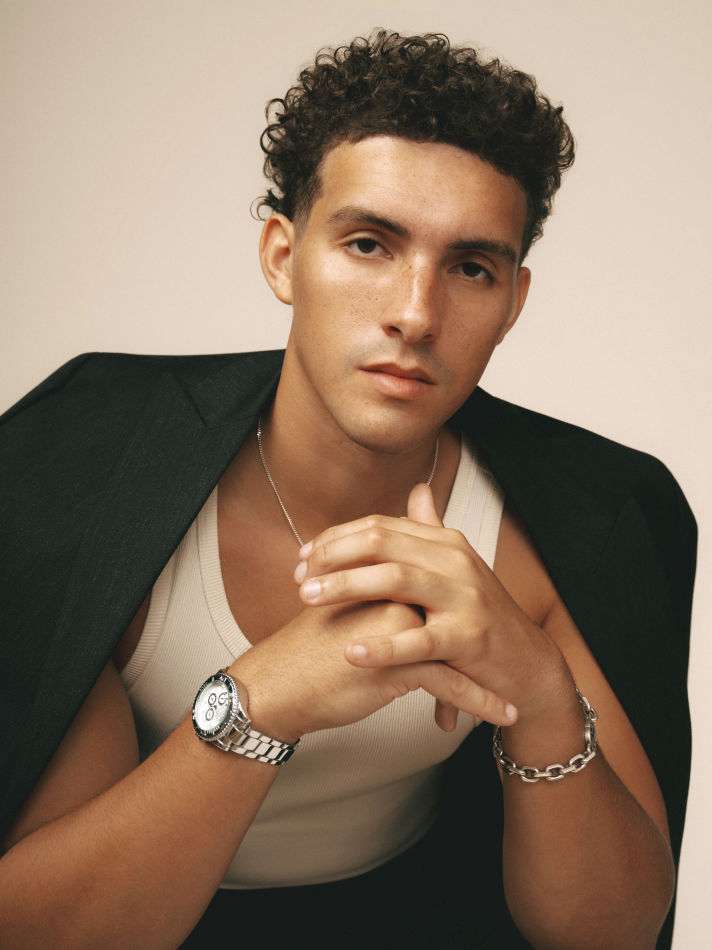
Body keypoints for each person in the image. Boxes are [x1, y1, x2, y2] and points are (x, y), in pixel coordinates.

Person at [0, 30, 695, 950]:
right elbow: (41, 927)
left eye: (471, 267)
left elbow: (607, 932)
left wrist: (538, 688)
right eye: (369, 244)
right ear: (282, 257)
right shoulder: (85, 462)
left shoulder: (588, 517)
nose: (415, 313)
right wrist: (261, 699)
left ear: (513, 303)